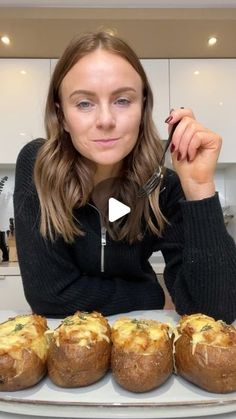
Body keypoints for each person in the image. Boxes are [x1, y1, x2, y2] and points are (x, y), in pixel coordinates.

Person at [14, 31, 236, 323]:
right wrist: (151, 294)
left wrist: (198, 188)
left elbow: (215, 311)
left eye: (122, 100)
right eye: (84, 103)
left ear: (143, 108)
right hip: (69, 346)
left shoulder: (165, 187)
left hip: (141, 342)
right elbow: (50, 297)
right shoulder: (38, 165)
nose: (105, 120)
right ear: (62, 116)